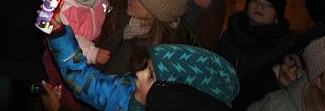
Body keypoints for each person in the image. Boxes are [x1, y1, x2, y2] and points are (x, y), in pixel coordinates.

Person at [44, 26, 239, 111]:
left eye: (151, 75)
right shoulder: (127, 91)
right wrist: (59, 34)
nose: (138, 73)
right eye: (146, 67)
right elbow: (87, 81)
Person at [42, 0, 110, 110]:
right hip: (63, 54)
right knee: (68, 93)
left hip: (89, 51)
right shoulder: (61, 4)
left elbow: (106, 13)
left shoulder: (100, 0)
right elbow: (69, 37)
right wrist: (93, 53)